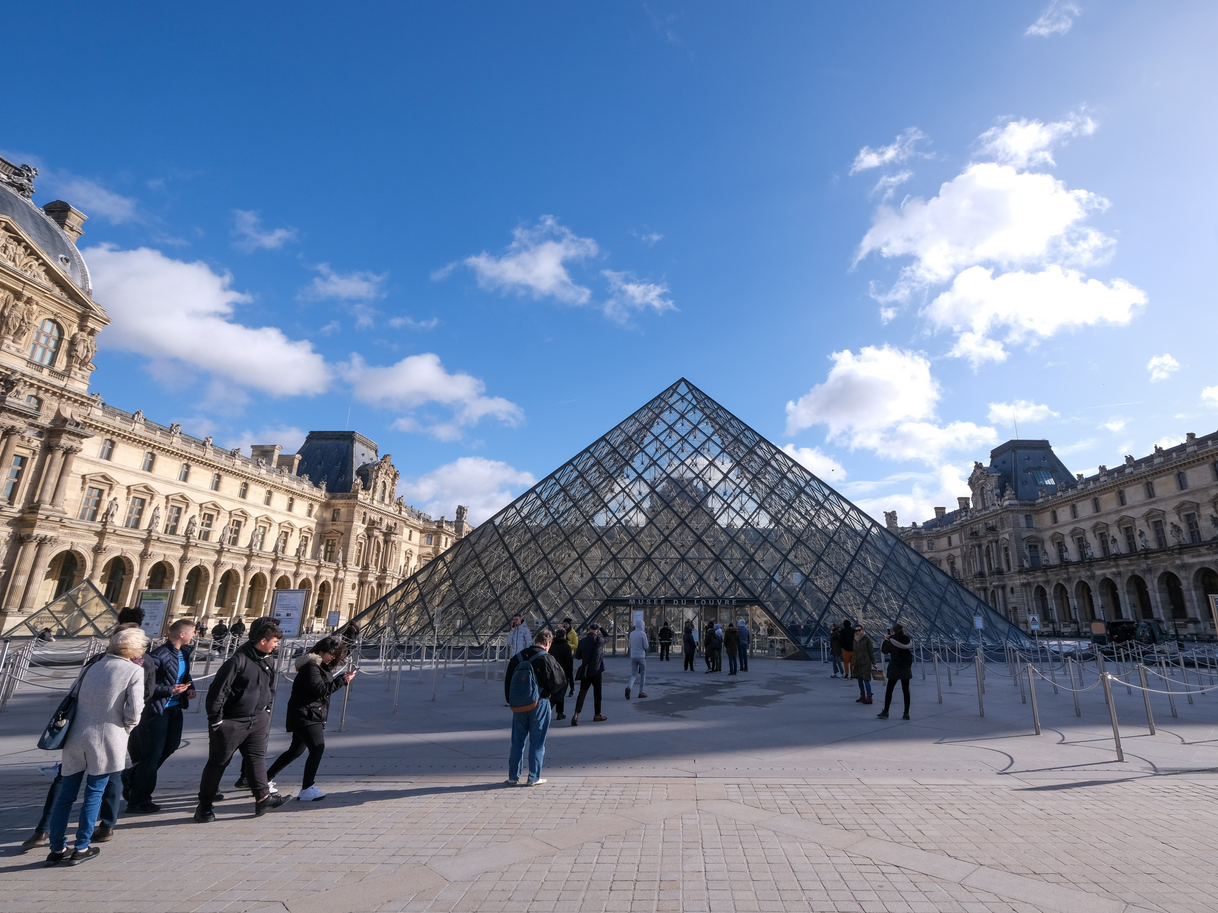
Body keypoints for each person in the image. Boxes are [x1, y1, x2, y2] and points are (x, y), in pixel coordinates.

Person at [45, 627, 148, 867]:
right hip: (107, 738)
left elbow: (72, 696)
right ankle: (81, 847)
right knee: (94, 793)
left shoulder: (91, 667)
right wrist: (127, 729)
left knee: (65, 795)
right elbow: (134, 711)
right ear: (136, 649)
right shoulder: (133, 670)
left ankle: (56, 848)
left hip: (75, 736)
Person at [194, 617, 291, 823]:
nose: (277, 645)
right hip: (232, 722)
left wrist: (266, 708)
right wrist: (216, 721)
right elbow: (217, 692)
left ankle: (263, 798)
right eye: (274, 641)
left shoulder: (268, 659)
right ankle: (204, 805)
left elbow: (270, 686)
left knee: (256, 759)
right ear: (263, 640)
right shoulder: (238, 661)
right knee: (218, 763)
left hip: (257, 720)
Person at [265, 636, 356, 801]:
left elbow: (323, 688)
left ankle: (264, 779)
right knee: (317, 748)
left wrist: (341, 679)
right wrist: (342, 680)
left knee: (295, 751)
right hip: (306, 715)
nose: (334, 658)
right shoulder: (311, 668)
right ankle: (307, 788)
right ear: (321, 652)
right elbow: (320, 690)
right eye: (332, 654)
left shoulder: (320, 666)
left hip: (309, 713)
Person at [124, 619, 197, 814]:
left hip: (175, 708)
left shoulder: (184, 653)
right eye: (192, 632)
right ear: (182, 634)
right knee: (152, 755)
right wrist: (169, 690)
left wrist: (190, 688)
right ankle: (138, 800)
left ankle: (132, 776)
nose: (194, 636)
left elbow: (183, 676)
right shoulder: (159, 655)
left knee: (171, 746)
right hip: (157, 710)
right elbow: (144, 685)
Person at [504, 629, 566, 786]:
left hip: (519, 705)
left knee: (517, 742)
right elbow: (559, 681)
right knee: (537, 742)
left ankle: (513, 777)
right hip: (540, 703)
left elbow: (508, 682)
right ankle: (533, 777)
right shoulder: (547, 658)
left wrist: (513, 700)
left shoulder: (517, 657)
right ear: (547, 643)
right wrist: (545, 693)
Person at [571, 622, 607, 725]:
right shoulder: (599, 640)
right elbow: (608, 637)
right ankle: (597, 714)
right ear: (597, 631)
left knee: (582, 692)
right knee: (597, 693)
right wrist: (602, 628)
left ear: (588, 629)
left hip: (586, 671)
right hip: (596, 671)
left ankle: (576, 714)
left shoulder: (582, 641)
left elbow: (577, 656)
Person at [877, 623, 914, 720]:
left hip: (895, 668)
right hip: (906, 668)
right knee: (906, 691)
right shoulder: (907, 640)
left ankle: (886, 711)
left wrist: (886, 640)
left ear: (893, 632)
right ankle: (906, 713)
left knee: (889, 690)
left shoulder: (892, 641)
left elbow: (884, 650)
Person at [548, 623, 572, 719]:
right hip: (563, 673)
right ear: (565, 636)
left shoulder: (552, 646)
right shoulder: (566, 647)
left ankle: (560, 712)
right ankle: (548, 711)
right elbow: (569, 663)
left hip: (552, 671)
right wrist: (571, 677)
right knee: (560, 694)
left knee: (556, 692)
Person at [851, 624, 875, 704]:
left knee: (866, 680)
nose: (857, 632)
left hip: (865, 662)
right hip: (857, 662)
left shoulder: (867, 640)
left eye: (859, 630)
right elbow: (855, 653)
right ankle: (862, 696)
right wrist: (853, 663)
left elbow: (871, 652)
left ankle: (869, 697)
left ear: (862, 630)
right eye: (856, 630)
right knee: (859, 680)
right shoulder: (854, 640)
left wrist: (874, 663)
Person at [626, 621, 649, 699]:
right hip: (641, 656)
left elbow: (629, 645)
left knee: (634, 674)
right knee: (643, 673)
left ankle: (629, 687)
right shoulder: (643, 634)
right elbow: (646, 646)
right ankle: (641, 692)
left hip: (633, 655)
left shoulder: (632, 634)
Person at [561, 618, 578, 695]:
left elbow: (575, 645)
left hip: (569, 655)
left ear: (569, 624)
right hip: (561, 655)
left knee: (569, 674)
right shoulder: (560, 632)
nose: (564, 625)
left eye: (566, 624)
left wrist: (566, 645)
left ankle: (572, 689)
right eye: (564, 623)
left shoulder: (573, 633)